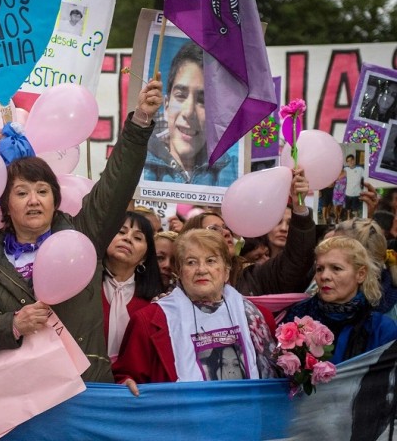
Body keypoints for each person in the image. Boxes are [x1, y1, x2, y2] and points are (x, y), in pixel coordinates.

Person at [0, 78, 163, 383]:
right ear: (5, 204)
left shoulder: (84, 236)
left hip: (87, 391)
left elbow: (115, 184)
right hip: (26, 401)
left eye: (42, 191)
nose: (33, 200)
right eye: (21, 193)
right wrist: (13, 324)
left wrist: (140, 123)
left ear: (55, 199)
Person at [112, 229, 278, 393]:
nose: (201, 269)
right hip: (181, 418)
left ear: (226, 271)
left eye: (211, 261)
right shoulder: (148, 320)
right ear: (179, 271)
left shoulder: (258, 317)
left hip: (247, 416)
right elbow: (126, 376)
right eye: (191, 262)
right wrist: (125, 382)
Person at [180, 168, 315, 296]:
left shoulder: (254, 277)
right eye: (214, 229)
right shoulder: (174, 298)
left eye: (226, 227)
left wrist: (299, 207)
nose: (227, 233)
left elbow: (297, 260)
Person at [283, 236, 397, 364]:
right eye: (319, 269)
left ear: (360, 274)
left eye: (336, 268)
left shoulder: (381, 328)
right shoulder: (298, 317)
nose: (324, 276)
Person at [143, 41, 238, 186]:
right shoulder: (138, 166)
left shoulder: (233, 172)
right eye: (180, 95)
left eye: (203, 100)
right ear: (166, 105)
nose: (188, 112)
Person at [102, 211, 163, 362]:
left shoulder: (154, 303)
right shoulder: (83, 288)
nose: (127, 238)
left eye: (137, 238)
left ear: (144, 258)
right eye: (121, 232)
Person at [344, 155, 364, 219]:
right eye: (348, 161)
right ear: (347, 163)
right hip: (348, 193)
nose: (350, 162)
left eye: (351, 160)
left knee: (355, 209)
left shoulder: (360, 169)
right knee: (348, 208)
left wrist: (362, 185)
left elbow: (366, 178)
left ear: (354, 160)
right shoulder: (345, 169)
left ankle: (356, 219)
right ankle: (348, 217)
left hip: (357, 193)